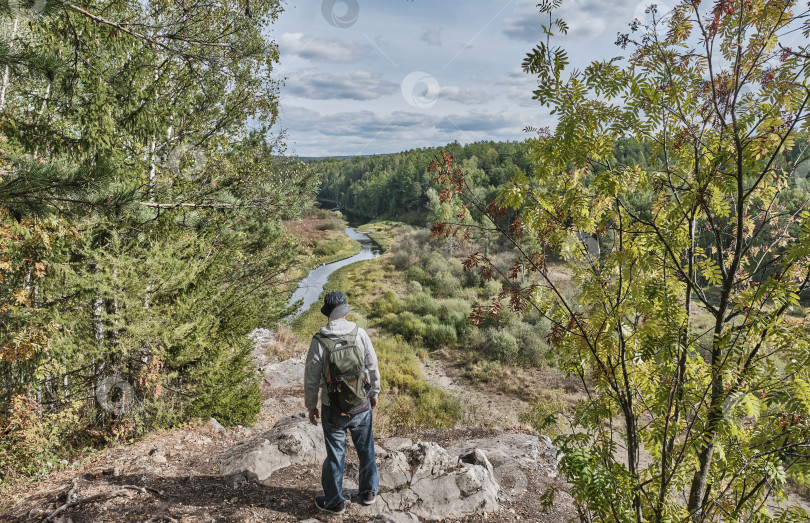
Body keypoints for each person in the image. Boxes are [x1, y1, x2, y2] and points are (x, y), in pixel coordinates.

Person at [305, 291, 380, 515]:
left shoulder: (319, 341)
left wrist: (311, 407)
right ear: (344, 311)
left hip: (332, 408)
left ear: (328, 314)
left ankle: (335, 502)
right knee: (366, 448)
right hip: (361, 405)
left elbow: (311, 379)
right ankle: (367, 493)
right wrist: (374, 392)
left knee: (336, 454)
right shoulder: (360, 333)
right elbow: (372, 366)